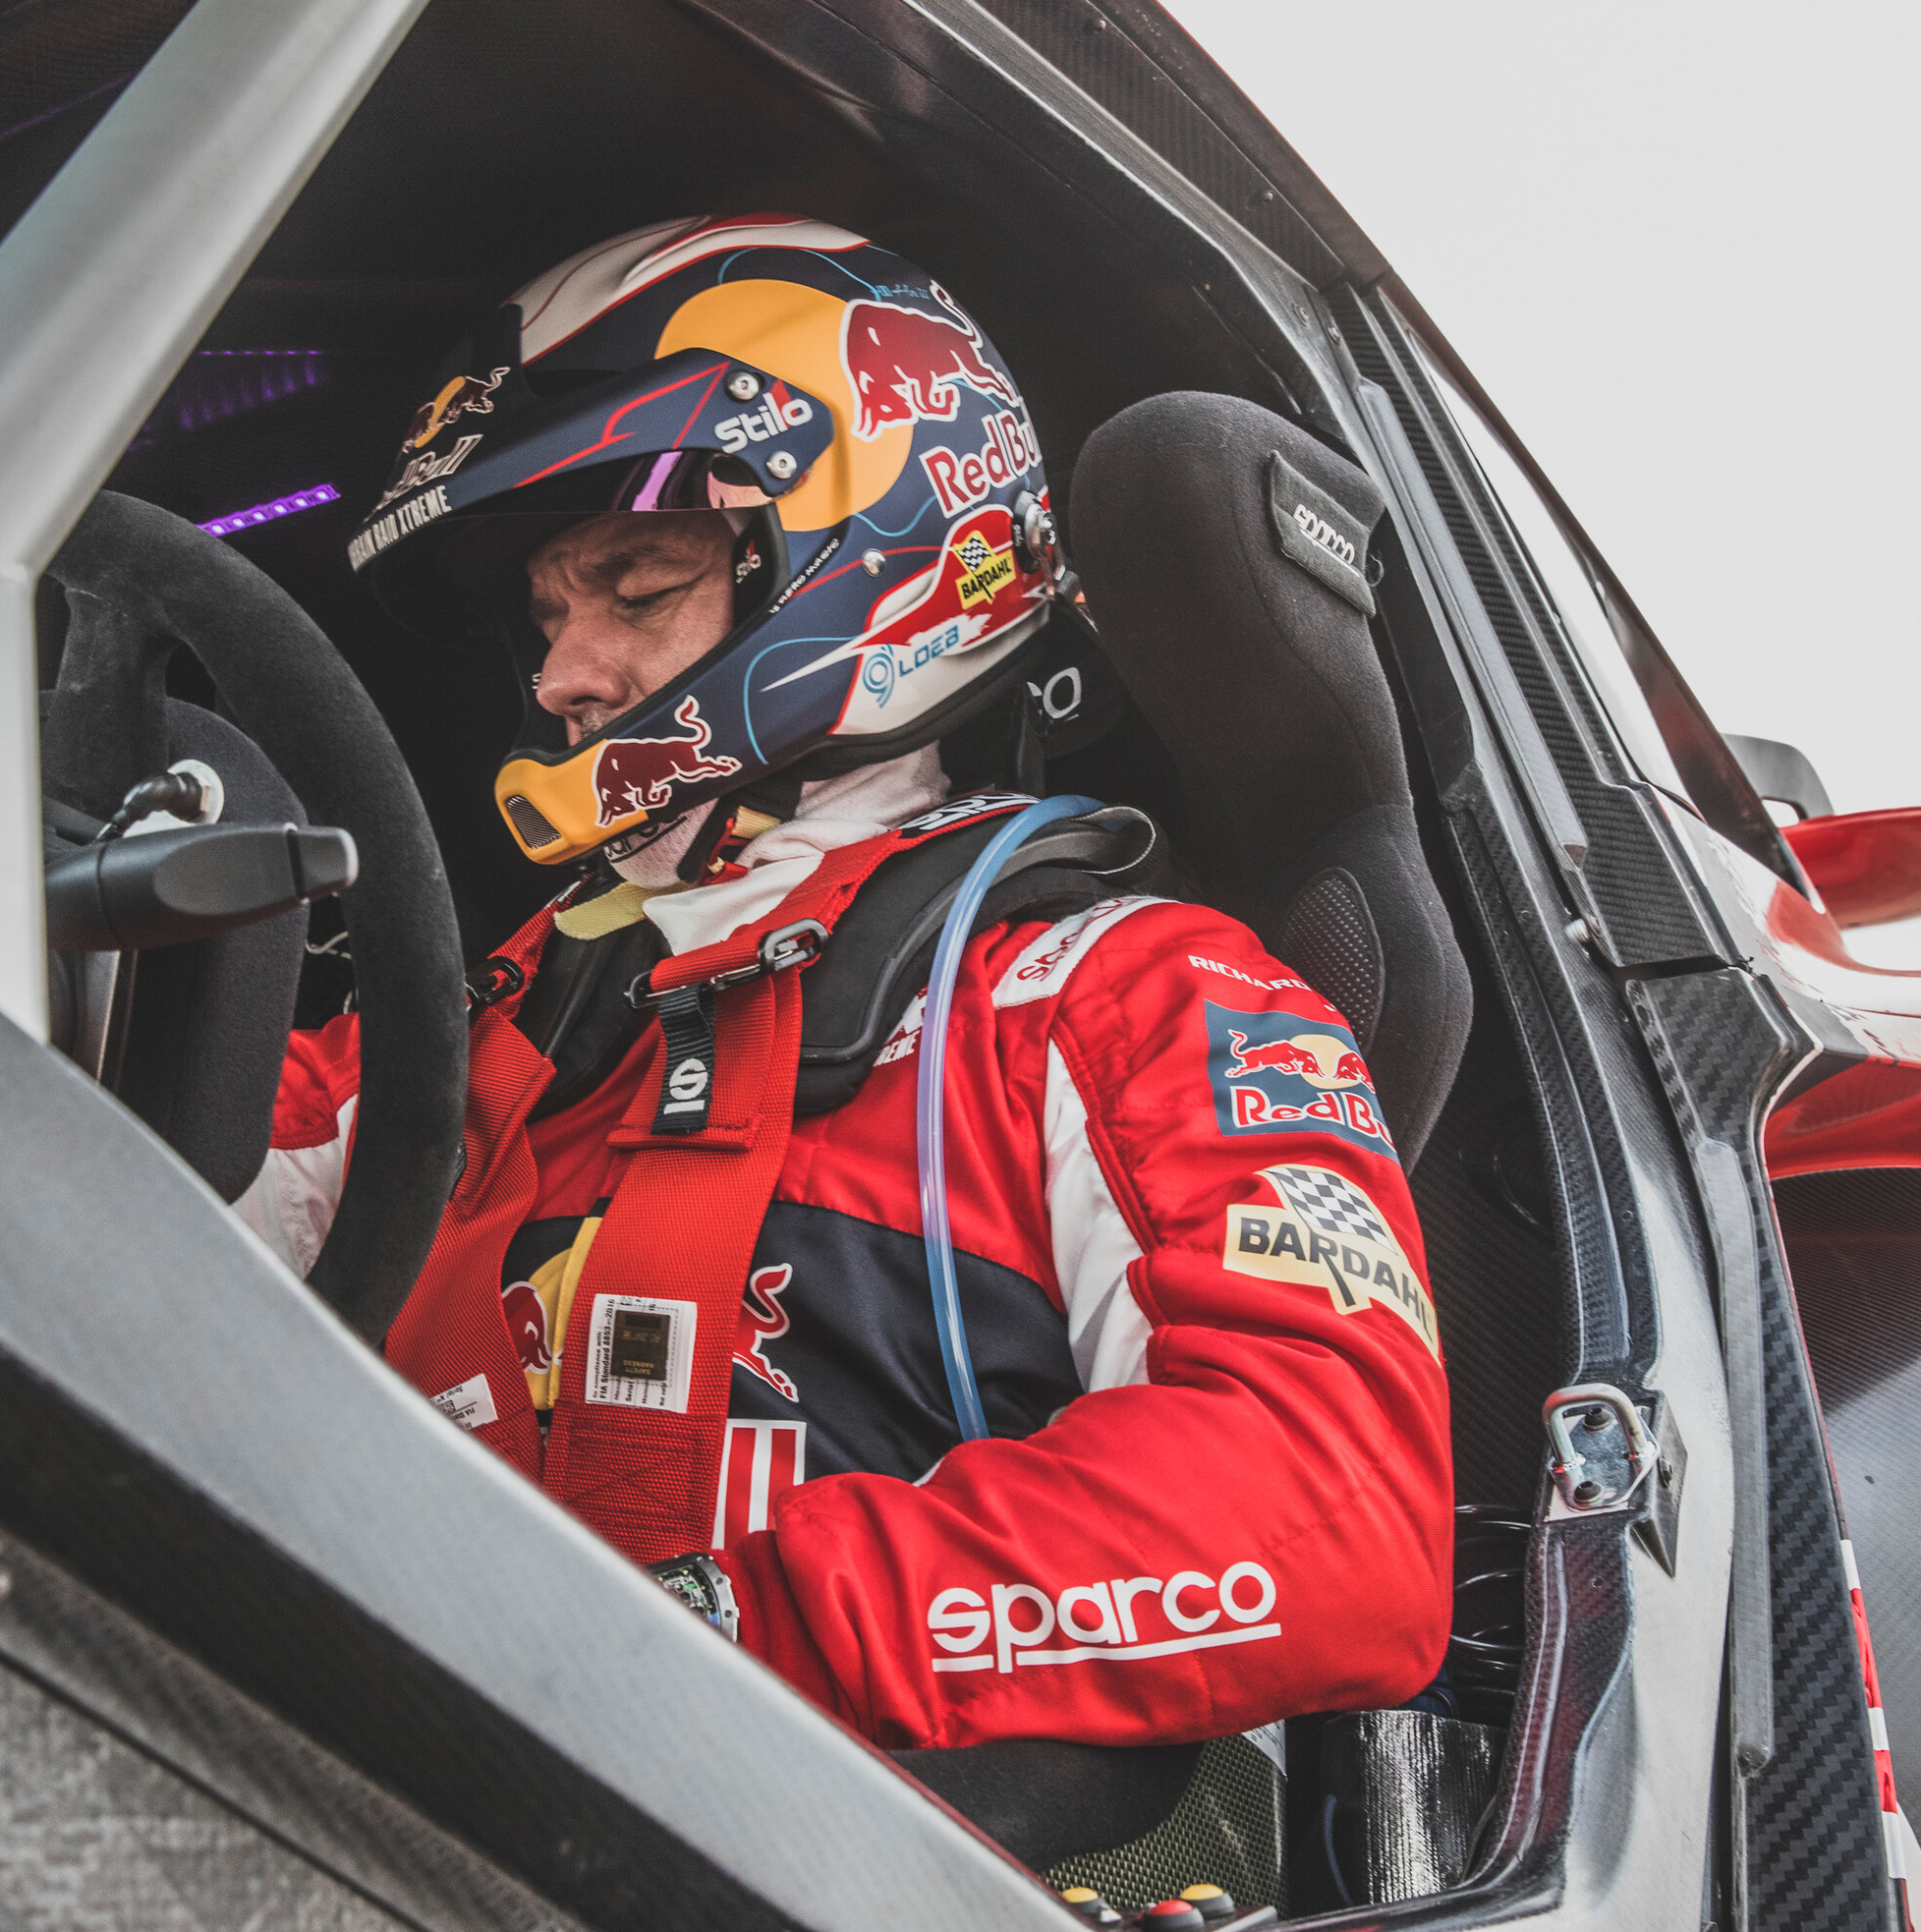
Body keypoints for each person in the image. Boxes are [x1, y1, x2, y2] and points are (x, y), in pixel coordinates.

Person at [243, 216, 1449, 1754]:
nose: (562, 677)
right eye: (549, 619)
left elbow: (1337, 1513)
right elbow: (178, 1171)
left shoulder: (1129, 994)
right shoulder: (500, 1003)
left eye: (634, 587)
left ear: (853, 552)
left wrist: (721, 1632)